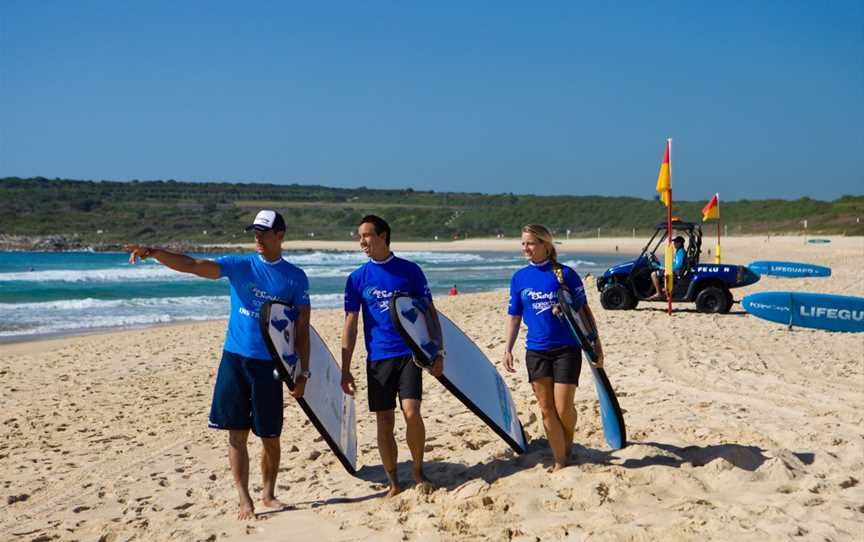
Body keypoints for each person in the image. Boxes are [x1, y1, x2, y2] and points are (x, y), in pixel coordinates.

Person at [126, 210, 311, 521]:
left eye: (263, 233)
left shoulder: (294, 278)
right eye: (254, 232)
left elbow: (302, 329)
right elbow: (193, 265)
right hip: (235, 359)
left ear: (280, 235)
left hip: (270, 364)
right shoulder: (240, 266)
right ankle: (245, 500)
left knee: (270, 436)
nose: (258, 238)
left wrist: (302, 372)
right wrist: (155, 252)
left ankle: (268, 494)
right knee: (236, 434)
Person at [340, 215, 444, 497]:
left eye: (367, 235)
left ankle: (418, 470)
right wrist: (345, 367)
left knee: (412, 413)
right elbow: (350, 323)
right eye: (359, 236)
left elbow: (429, 312)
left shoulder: (409, 271)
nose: (362, 241)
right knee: (384, 421)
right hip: (378, 358)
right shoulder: (357, 279)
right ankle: (393, 481)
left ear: (383, 235)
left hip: (409, 354)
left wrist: (438, 350)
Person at [502, 224, 604, 472]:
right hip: (536, 350)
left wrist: (595, 342)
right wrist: (508, 348)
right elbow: (514, 315)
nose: (525, 248)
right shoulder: (519, 278)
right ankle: (560, 459)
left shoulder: (565, 274)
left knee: (563, 407)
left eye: (530, 243)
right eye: (523, 243)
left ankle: (567, 443)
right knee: (546, 409)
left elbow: (583, 310)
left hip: (567, 349)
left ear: (545, 245)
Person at [649, 235, 686, 300]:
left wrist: (667, 269)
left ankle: (658, 293)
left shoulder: (681, 252)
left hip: (675, 272)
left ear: (679, 243)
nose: (674, 244)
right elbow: (674, 264)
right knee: (658, 269)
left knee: (653, 274)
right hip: (673, 270)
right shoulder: (679, 251)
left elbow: (679, 265)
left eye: (675, 242)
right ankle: (661, 290)